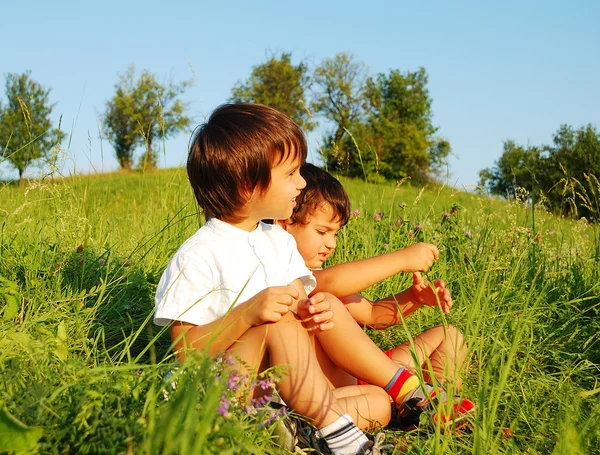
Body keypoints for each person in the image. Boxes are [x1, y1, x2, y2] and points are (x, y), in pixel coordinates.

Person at [154, 103, 418, 454]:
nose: (302, 182)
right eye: (291, 173)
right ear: (248, 185)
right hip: (224, 389)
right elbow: (186, 350)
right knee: (276, 323)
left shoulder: (278, 240)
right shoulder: (199, 254)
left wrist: (315, 310)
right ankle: (341, 438)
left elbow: (300, 303)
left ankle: (298, 431)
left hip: (286, 389)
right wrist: (248, 313)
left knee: (377, 403)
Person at [278, 163, 474, 431]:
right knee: (329, 302)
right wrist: (401, 259)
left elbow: (372, 314)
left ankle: (436, 403)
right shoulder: (288, 276)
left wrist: (414, 298)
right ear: (284, 224)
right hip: (349, 388)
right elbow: (331, 283)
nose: (332, 243)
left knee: (450, 335)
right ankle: (417, 400)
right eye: (322, 232)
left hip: (370, 375)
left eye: (335, 233)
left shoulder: (317, 276)